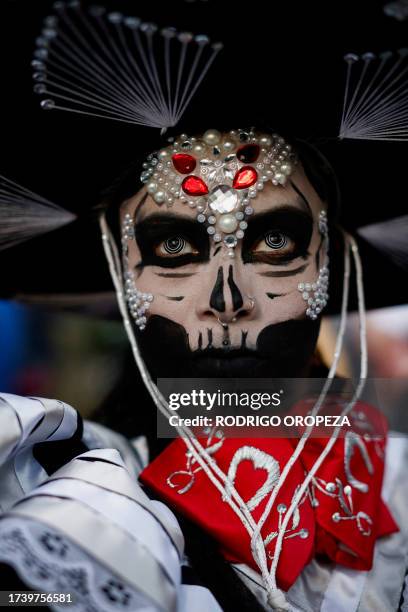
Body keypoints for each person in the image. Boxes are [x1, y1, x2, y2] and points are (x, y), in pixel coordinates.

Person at [0, 2, 407, 611]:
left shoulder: (401, 479)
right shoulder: (77, 483)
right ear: (122, 271)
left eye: (275, 243)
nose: (228, 302)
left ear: (333, 262)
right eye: (171, 247)